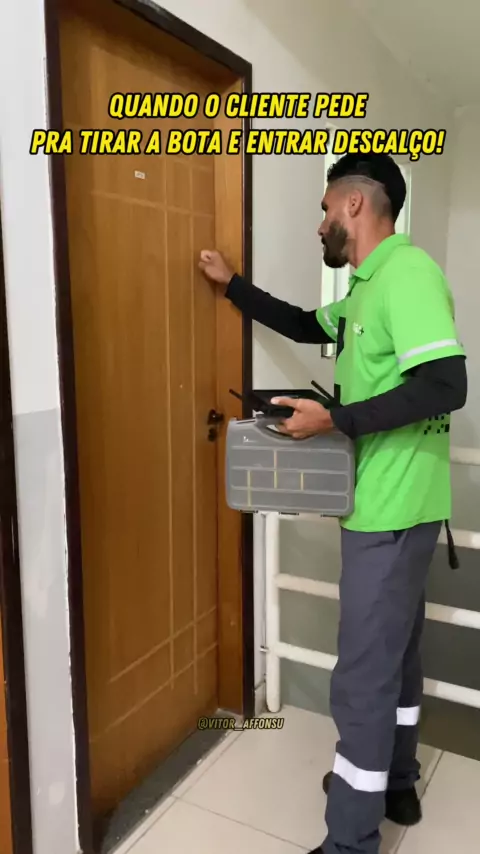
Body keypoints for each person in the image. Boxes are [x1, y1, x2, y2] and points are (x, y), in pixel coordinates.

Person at [198, 152, 467, 854]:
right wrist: (232, 286)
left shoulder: (408, 275)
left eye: (325, 210)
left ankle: (350, 841)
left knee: (361, 680)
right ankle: (396, 782)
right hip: (401, 504)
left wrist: (336, 420)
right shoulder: (366, 289)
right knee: (396, 658)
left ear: (354, 204)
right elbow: (303, 323)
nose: (320, 225)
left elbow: (446, 385)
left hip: (391, 509)